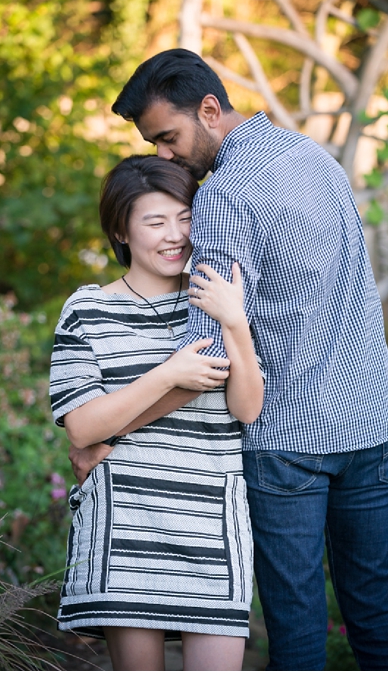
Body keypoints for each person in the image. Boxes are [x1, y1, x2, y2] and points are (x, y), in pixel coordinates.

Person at [69, 48, 388, 670]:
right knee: (378, 618)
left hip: (290, 441)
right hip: (375, 425)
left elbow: (205, 362)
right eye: (154, 144)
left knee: (300, 630)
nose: (165, 157)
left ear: (209, 109)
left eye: (169, 139)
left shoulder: (225, 196)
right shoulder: (312, 155)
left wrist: (106, 429)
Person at [50, 155, 263, 670]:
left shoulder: (216, 297)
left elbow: (247, 408)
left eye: (185, 217)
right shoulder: (88, 309)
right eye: (155, 221)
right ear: (121, 229)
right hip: (126, 527)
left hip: (212, 523)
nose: (175, 236)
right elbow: (82, 423)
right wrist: (168, 374)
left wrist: (235, 323)